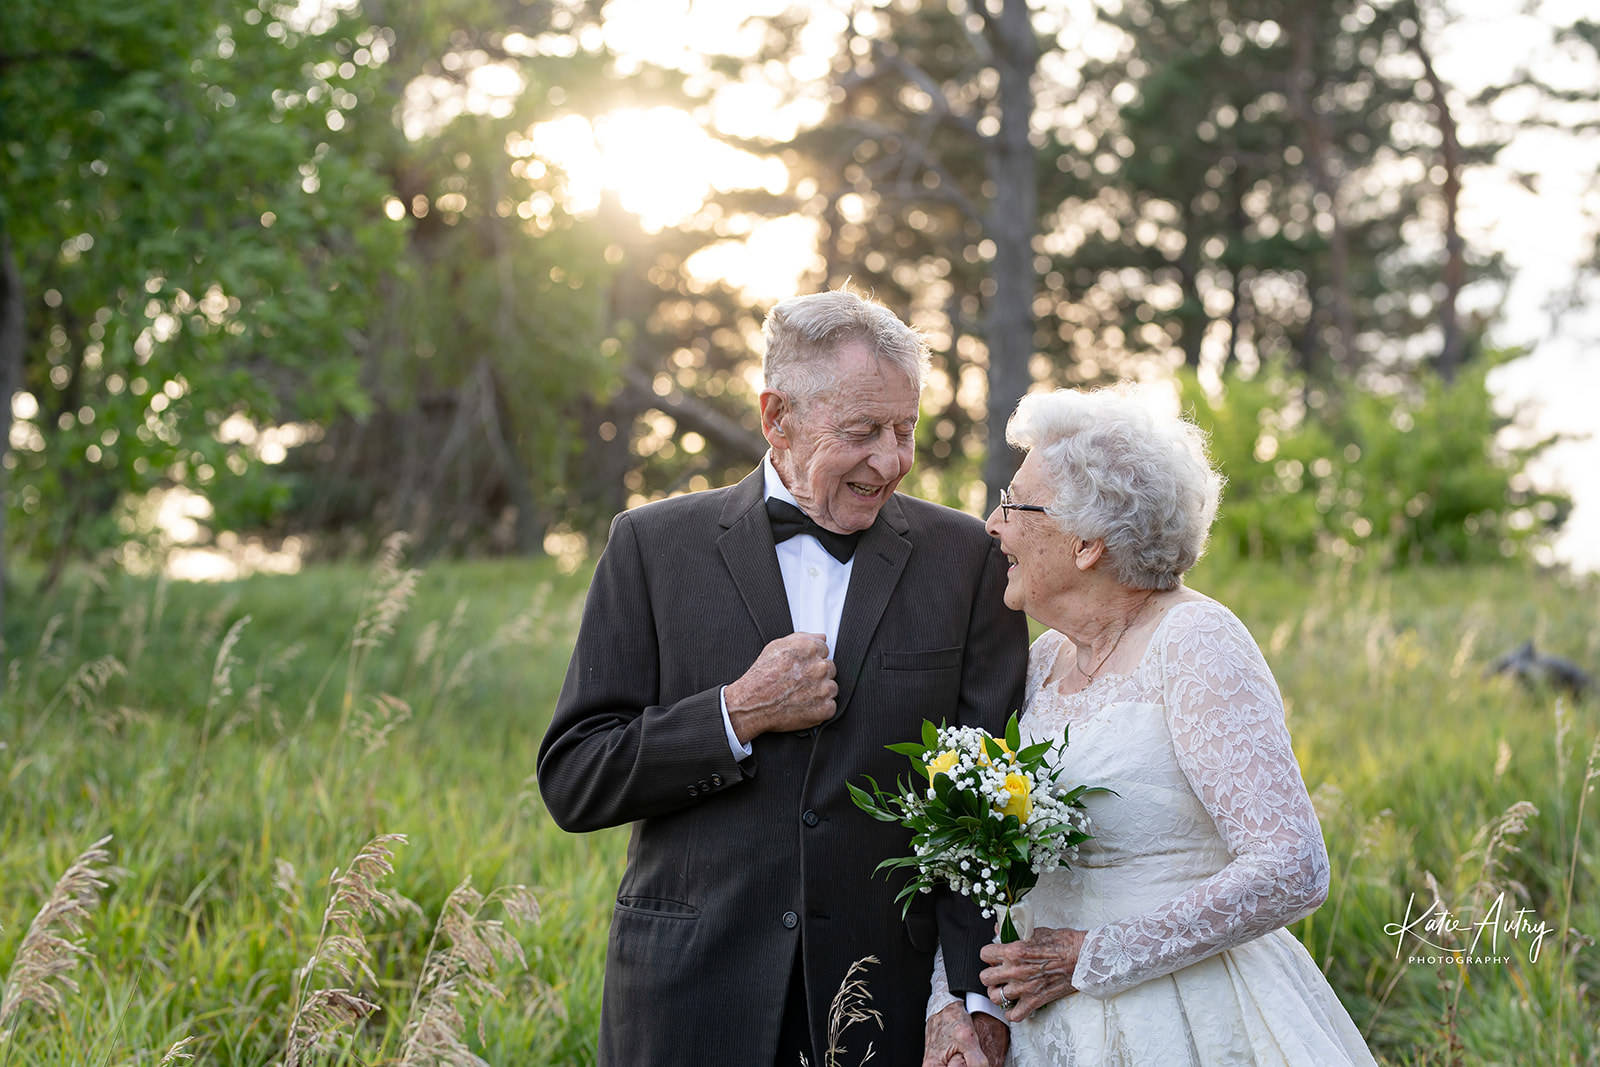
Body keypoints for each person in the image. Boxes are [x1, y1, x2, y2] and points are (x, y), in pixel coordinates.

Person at [538, 287, 1029, 1067]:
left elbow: (984, 809)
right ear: (777, 417)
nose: (892, 460)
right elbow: (574, 777)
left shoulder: (966, 560)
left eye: (905, 429)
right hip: (690, 996)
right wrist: (736, 712)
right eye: (862, 431)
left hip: (887, 1002)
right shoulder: (651, 547)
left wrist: (966, 997)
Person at [926, 386, 1377, 1065]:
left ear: (1085, 542)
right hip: (1046, 1026)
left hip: (1186, 1015)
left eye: (1014, 503)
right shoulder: (1041, 660)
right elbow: (981, 864)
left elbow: (1293, 866)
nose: (993, 524)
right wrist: (953, 999)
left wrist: (1095, 954)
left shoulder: (1196, 642)